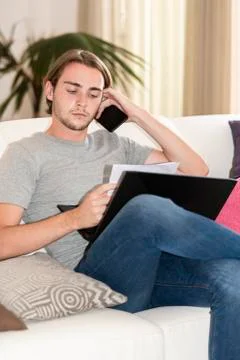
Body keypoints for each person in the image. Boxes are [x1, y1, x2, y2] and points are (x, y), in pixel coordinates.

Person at [0, 49, 239, 360]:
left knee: (233, 278)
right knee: (144, 209)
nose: (82, 102)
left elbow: (196, 169)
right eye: (72, 90)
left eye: (93, 93)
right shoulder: (25, 154)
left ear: (104, 102)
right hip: (99, 275)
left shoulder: (115, 144)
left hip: (151, 269)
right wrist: (75, 218)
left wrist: (136, 113)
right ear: (50, 90)